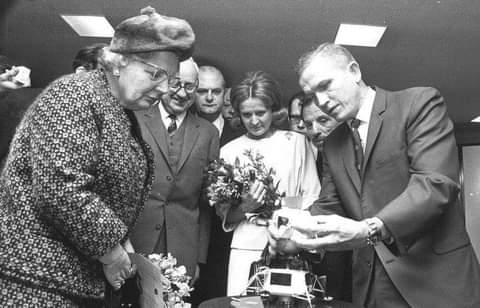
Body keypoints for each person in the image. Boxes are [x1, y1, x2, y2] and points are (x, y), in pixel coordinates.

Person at [0, 6, 195, 307]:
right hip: (37, 281)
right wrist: (112, 252)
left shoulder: (118, 108)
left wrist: (122, 248)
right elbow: (59, 187)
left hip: (73, 282)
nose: (165, 89)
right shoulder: (74, 94)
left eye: (169, 78)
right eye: (155, 74)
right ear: (119, 62)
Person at [269, 42, 480, 308]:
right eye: (312, 94)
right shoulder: (333, 143)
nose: (321, 102)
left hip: (435, 283)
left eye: (325, 86)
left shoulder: (418, 103)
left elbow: (434, 185)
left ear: (354, 71)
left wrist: (369, 229)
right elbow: (329, 207)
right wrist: (293, 234)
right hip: (371, 288)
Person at [219, 71, 321, 296]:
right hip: (246, 247)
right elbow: (225, 217)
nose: (254, 121)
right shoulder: (228, 152)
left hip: (290, 245)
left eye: (260, 112)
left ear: (273, 110)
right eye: (247, 114)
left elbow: (312, 196)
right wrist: (245, 207)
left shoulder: (297, 143)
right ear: (238, 114)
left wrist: (283, 213)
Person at [129, 58, 219, 285]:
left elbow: (206, 202)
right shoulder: (133, 119)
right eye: (175, 84)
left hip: (183, 250)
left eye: (189, 86)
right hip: (134, 243)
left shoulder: (208, 133)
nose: (181, 93)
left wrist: (198, 258)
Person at [191, 66, 243, 302]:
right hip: (189, 237)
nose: (210, 97)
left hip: (228, 241)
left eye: (216, 91)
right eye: (202, 91)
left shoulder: (241, 136)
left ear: (226, 94)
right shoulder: (181, 131)